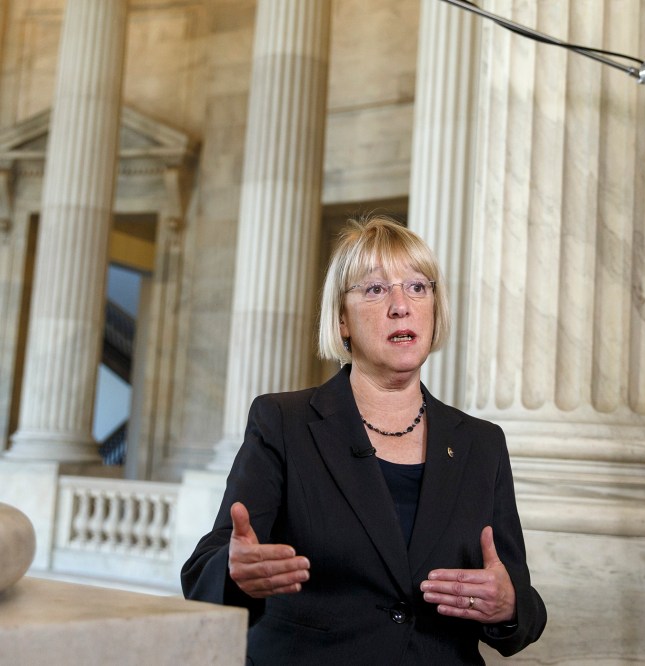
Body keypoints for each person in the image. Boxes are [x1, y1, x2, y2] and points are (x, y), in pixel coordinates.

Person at [181, 215, 546, 664]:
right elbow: (203, 571)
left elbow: (520, 609)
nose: (401, 305)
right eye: (375, 289)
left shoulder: (481, 443)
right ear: (342, 319)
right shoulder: (283, 422)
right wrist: (234, 572)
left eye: (418, 287)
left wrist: (508, 608)